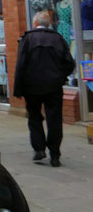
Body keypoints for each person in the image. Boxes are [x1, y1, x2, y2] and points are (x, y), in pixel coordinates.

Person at [12, 10, 76, 167]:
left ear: (35, 23)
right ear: (49, 24)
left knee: (34, 117)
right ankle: (55, 154)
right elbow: (69, 63)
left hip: (31, 86)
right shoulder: (58, 39)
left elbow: (20, 65)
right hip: (53, 86)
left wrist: (18, 88)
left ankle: (39, 149)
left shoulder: (27, 39)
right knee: (54, 119)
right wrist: (61, 77)